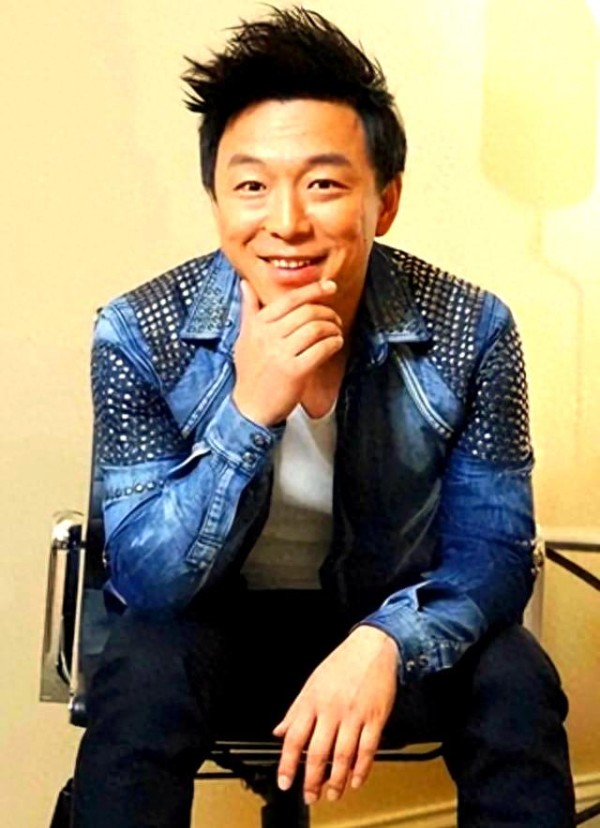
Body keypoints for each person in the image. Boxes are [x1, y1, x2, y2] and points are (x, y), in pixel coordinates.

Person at [72, 7, 575, 827]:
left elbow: (493, 554)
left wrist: (385, 642)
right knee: (142, 667)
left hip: (393, 630)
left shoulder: (471, 328)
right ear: (217, 201)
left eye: (324, 184)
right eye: (251, 186)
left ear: (386, 200)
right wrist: (249, 411)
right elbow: (145, 580)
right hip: (208, 639)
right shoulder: (139, 331)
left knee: (514, 678)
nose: (286, 222)